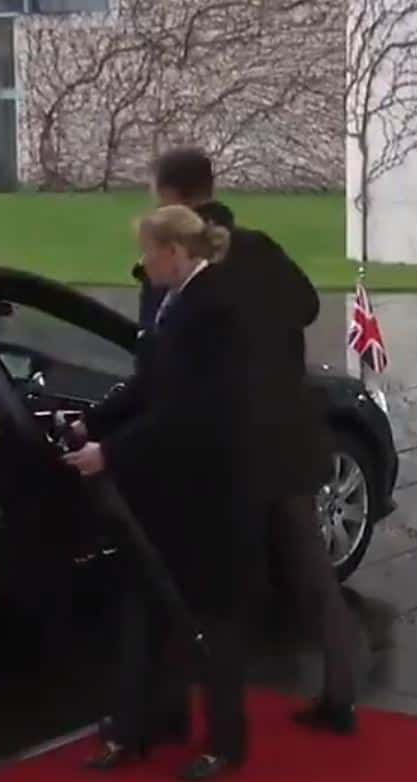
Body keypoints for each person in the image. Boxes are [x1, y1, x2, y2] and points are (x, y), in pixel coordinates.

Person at [154, 147, 360, 733]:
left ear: (169, 195)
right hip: (287, 431)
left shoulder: (185, 263)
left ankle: (197, 709)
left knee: (212, 583)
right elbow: (307, 304)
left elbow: (164, 353)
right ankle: (340, 691)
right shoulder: (260, 249)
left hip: (226, 445)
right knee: (312, 573)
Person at [66, 205, 257, 782]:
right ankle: (137, 726)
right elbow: (149, 383)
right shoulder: (174, 302)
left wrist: (110, 453)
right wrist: (92, 423)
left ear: (174, 251)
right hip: (164, 489)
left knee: (211, 618)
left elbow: (189, 411)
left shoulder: (216, 310)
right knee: (145, 608)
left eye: (148, 253)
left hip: (206, 494)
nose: (142, 264)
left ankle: (225, 741)